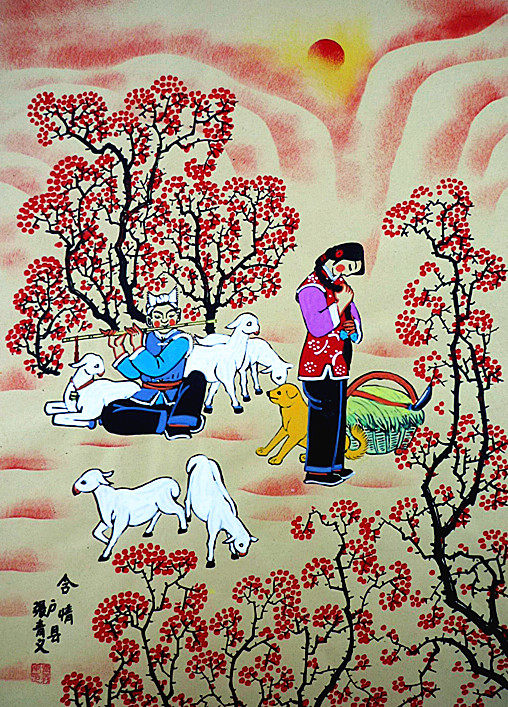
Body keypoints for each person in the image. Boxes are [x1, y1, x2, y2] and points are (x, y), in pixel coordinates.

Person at [296, 242, 365, 486]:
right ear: (335, 260)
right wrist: (341, 304)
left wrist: (354, 329)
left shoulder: (341, 287)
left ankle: (335, 465)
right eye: (349, 266)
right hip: (318, 365)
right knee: (323, 416)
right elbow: (317, 327)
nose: (348, 273)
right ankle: (318, 470)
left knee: (337, 415)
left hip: (339, 363)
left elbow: (353, 317)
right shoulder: (310, 288)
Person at [100, 289, 207, 440]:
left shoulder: (182, 340)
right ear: (149, 320)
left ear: (178, 317)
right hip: (147, 396)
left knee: (197, 378)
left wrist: (138, 348)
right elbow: (135, 374)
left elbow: (158, 368)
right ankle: (171, 421)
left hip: (175, 398)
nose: (164, 321)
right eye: (158, 316)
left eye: (170, 316)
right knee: (110, 414)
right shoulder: (147, 338)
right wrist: (118, 348)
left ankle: (179, 424)